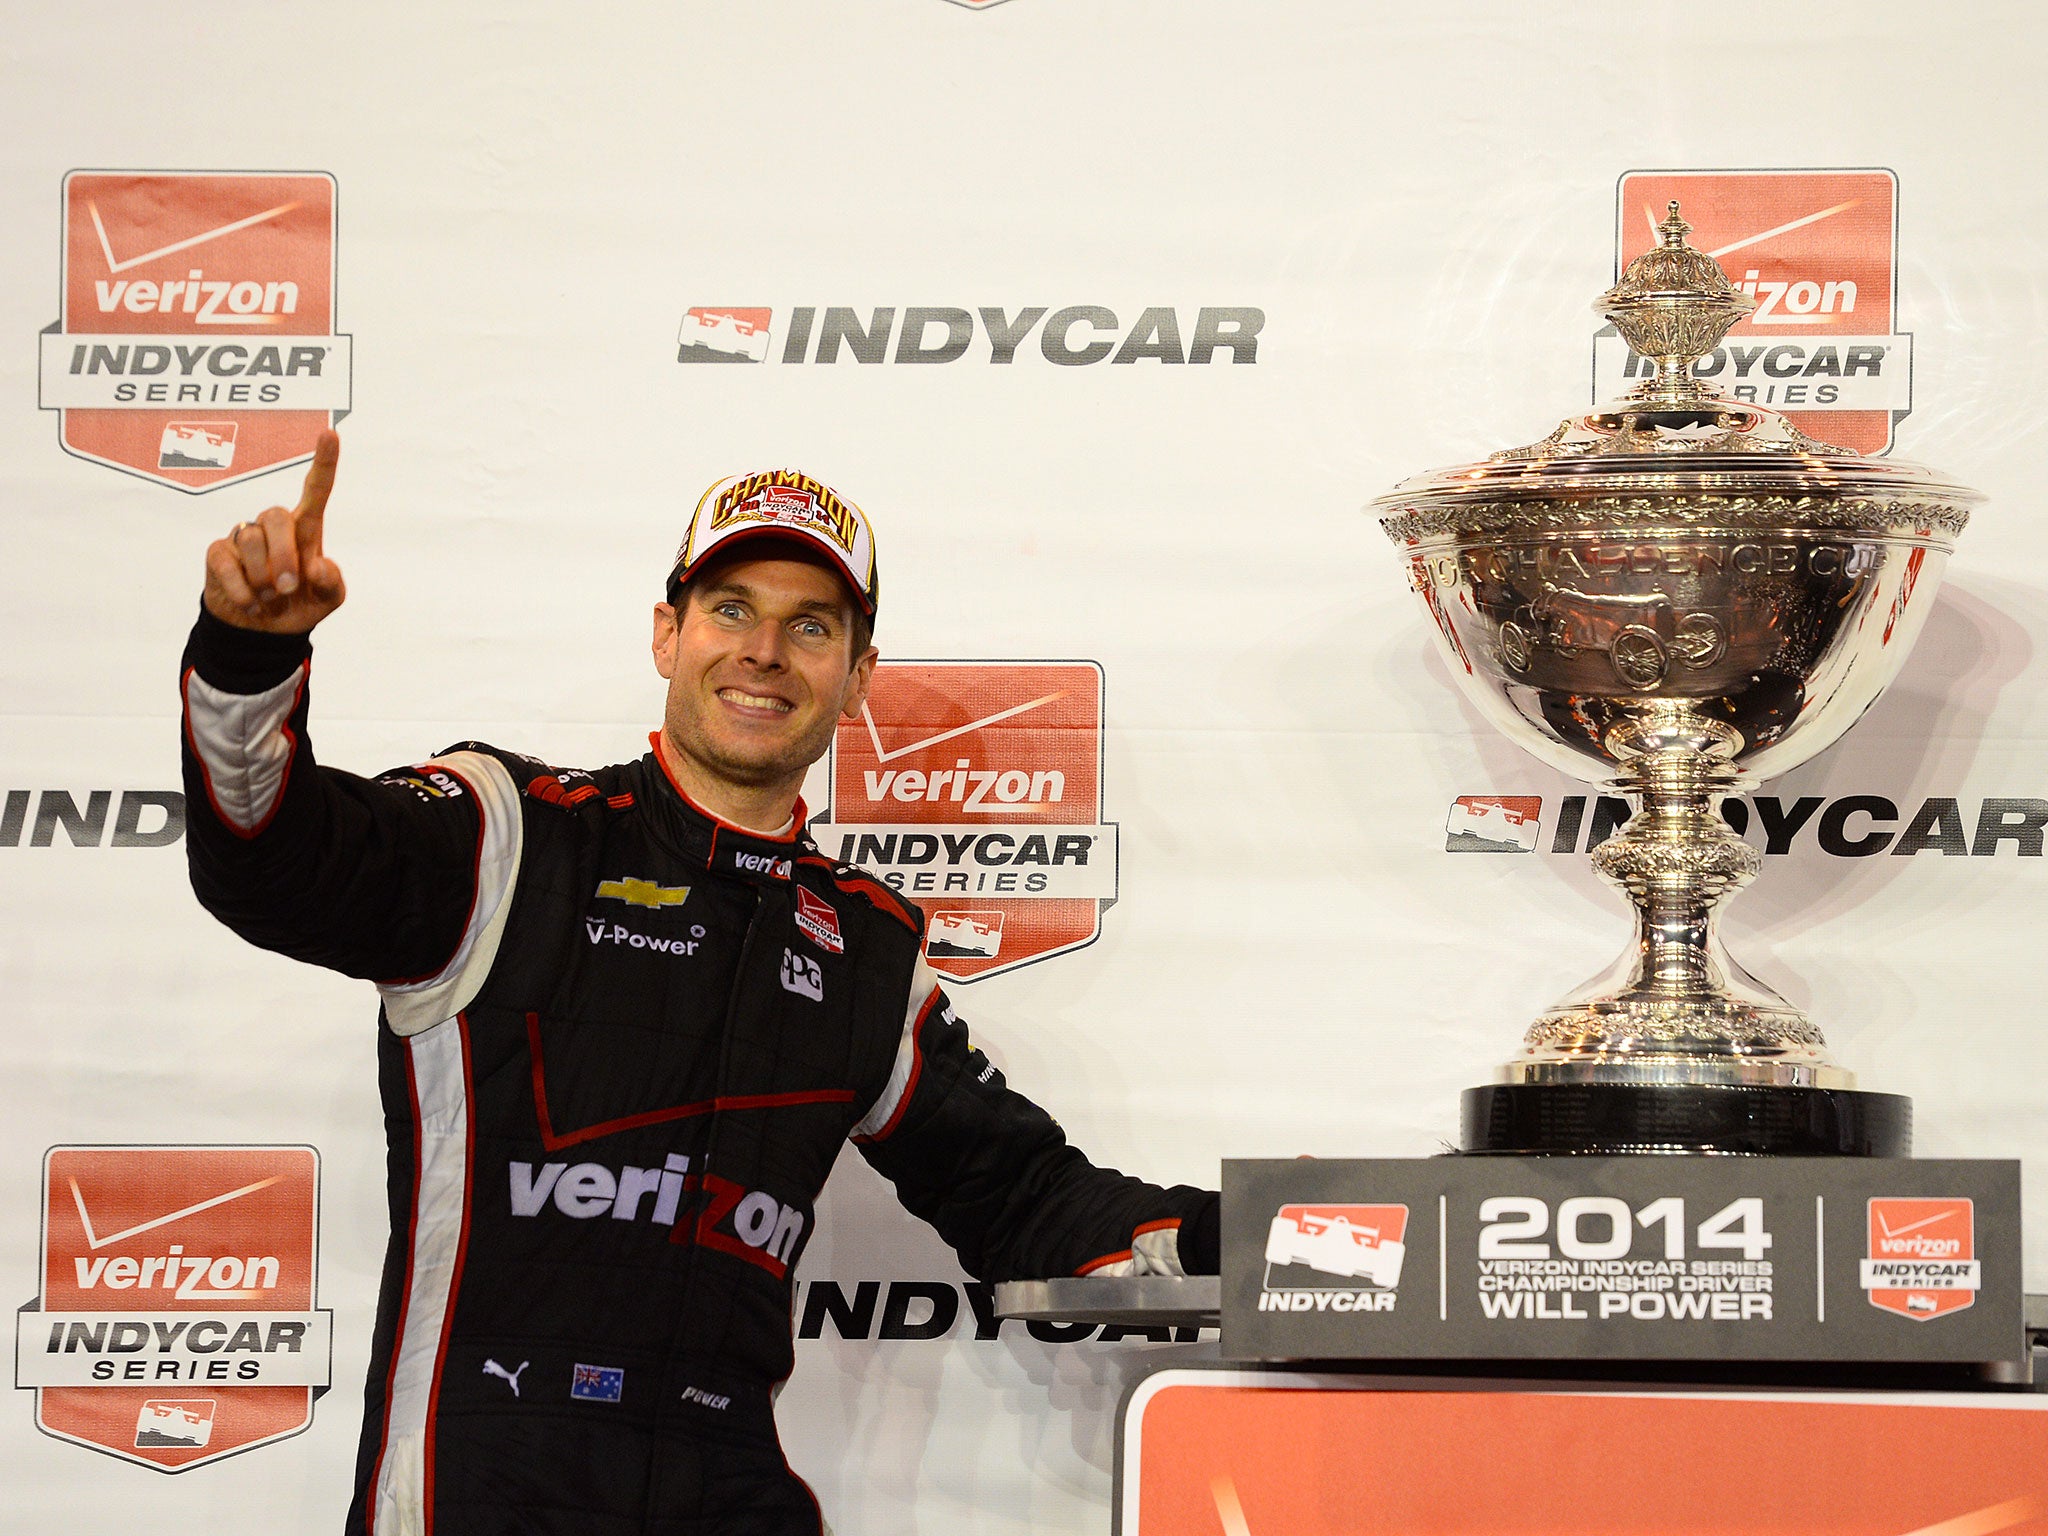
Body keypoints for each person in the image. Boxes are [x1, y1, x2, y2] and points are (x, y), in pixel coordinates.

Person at [180, 432, 1219, 1536]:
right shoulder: (507, 837)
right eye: (730, 608)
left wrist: (1281, 1234)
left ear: (857, 676)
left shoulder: (863, 949)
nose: (765, 651)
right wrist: (248, 658)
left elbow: (1030, 1204)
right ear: (667, 634)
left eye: (810, 626)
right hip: (477, 1495)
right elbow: (267, 858)